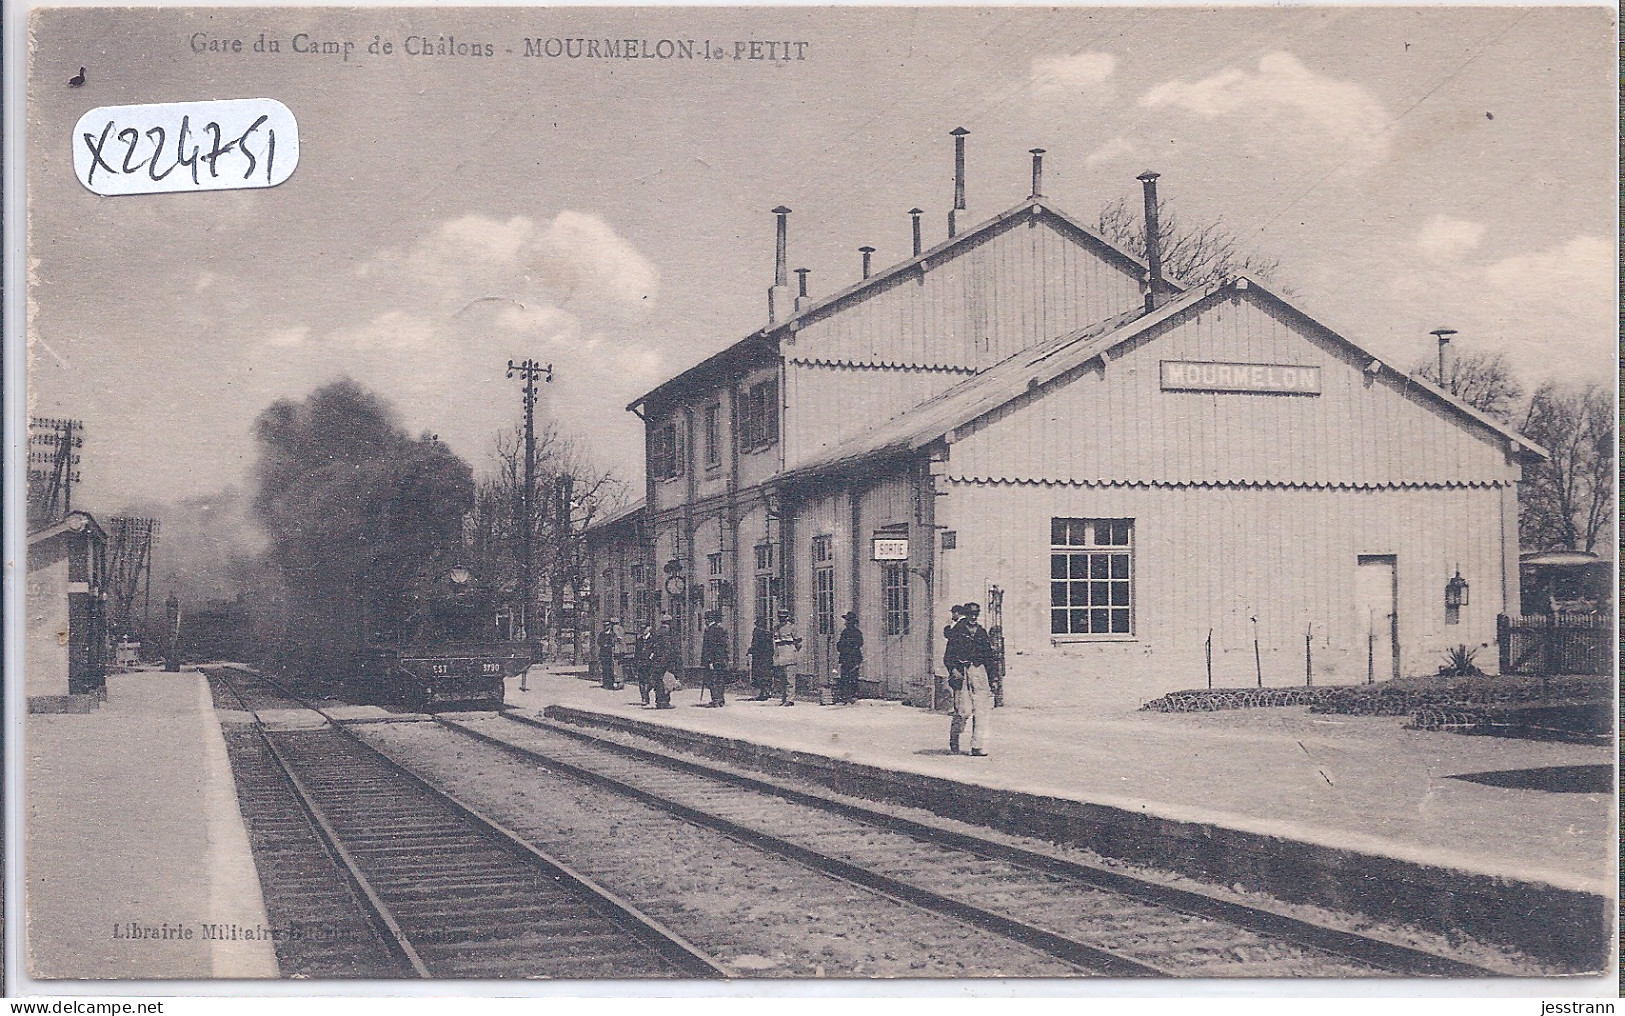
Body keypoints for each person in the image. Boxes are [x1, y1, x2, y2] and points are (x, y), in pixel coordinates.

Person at [949, 602, 993, 756]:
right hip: (962, 672)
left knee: (981, 710)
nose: (973, 617)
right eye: (970, 614)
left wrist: (991, 678)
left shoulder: (981, 632)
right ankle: (955, 737)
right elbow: (948, 656)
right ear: (965, 614)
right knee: (964, 710)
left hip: (979, 672)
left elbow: (989, 656)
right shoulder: (957, 631)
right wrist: (954, 670)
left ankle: (977, 746)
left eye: (976, 614)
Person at [771, 610, 802, 706]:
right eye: (780, 617)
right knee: (782, 679)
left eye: (784, 617)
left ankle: (790, 699)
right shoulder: (776, 628)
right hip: (780, 656)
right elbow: (774, 642)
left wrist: (793, 651)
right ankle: (784, 698)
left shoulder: (792, 627)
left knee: (790, 679)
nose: (782, 619)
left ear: (787, 617)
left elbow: (798, 642)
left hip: (789, 655)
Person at [700, 610, 731, 707]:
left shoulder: (710, 631)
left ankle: (715, 700)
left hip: (713, 660)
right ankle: (721, 699)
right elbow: (725, 646)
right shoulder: (720, 629)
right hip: (721, 659)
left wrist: (710, 661)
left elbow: (711, 648)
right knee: (720, 679)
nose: (705, 621)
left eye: (706, 619)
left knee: (713, 680)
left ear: (709, 620)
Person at [834, 611, 864, 705]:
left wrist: (847, 647)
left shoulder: (856, 633)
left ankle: (850, 696)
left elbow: (859, 644)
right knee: (845, 677)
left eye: (847, 621)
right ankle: (846, 696)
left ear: (851, 622)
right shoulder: (845, 632)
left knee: (852, 677)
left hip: (853, 658)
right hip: (845, 658)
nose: (845, 623)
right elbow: (839, 645)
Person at [651, 614, 678, 709]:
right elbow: (668, 649)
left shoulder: (657, 632)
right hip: (665, 661)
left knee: (658, 681)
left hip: (656, 661)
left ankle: (658, 701)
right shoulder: (667, 633)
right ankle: (664, 702)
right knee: (666, 682)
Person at [747, 616, 775, 700]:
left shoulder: (757, 632)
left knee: (759, 674)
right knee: (765, 674)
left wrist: (750, 651)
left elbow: (755, 644)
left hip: (759, 657)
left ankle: (763, 693)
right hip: (766, 657)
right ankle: (766, 692)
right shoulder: (768, 633)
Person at [634, 620, 655, 706]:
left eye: (644, 628)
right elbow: (636, 652)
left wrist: (652, 656)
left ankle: (646, 693)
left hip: (650, 663)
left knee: (650, 681)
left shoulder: (653, 639)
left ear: (649, 628)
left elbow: (655, 650)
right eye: (641, 628)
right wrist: (635, 663)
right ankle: (644, 698)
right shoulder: (639, 640)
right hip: (641, 663)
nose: (642, 630)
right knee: (641, 681)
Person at [597, 618, 617, 690]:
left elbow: (614, 642)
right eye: (604, 625)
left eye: (607, 625)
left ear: (610, 626)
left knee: (611, 668)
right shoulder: (602, 634)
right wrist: (603, 645)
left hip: (610, 653)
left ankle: (611, 683)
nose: (605, 627)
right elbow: (599, 641)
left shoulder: (612, 634)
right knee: (604, 668)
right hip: (603, 653)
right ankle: (605, 683)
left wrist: (610, 645)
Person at [610, 617, 630, 690]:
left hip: (617, 649)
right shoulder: (621, 628)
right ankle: (621, 681)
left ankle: (617, 681)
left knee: (616, 665)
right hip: (621, 649)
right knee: (620, 665)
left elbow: (619, 638)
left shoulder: (615, 628)